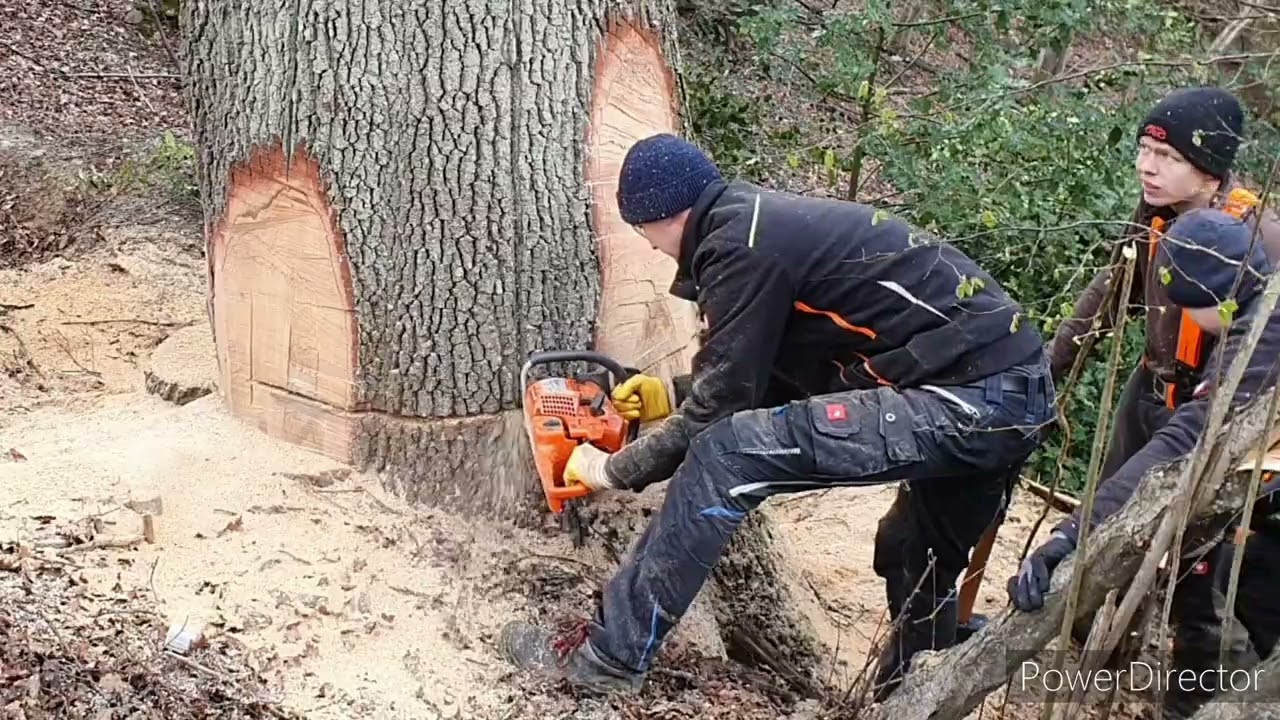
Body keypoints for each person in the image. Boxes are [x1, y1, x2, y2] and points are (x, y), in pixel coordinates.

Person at [498, 132, 1057, 699]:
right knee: (915, 548)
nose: (649, 247)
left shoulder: (737, 246)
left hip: (972, 397)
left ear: (667, 216)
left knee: (728, 454)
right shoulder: (758, 224)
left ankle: (609, 662)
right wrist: (672, 393)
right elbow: (776, 362)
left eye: (644, 231)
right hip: (1008, 391)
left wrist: (612, 471)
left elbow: (720, 412)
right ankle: (910, 699)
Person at [1037, 85, 1279, 706]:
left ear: (1209, 168)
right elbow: (1108, 293)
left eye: (1165, 157)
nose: (1148, 165)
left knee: (1202, 559)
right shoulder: (1154, 218)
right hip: (1153, 386)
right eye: (1144, 149)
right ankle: (1088, 649)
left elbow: (1228, 399)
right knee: (1113, 517)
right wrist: (1043, 379)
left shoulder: (1257, 240)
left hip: (1227, 418)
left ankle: (1192, 695)